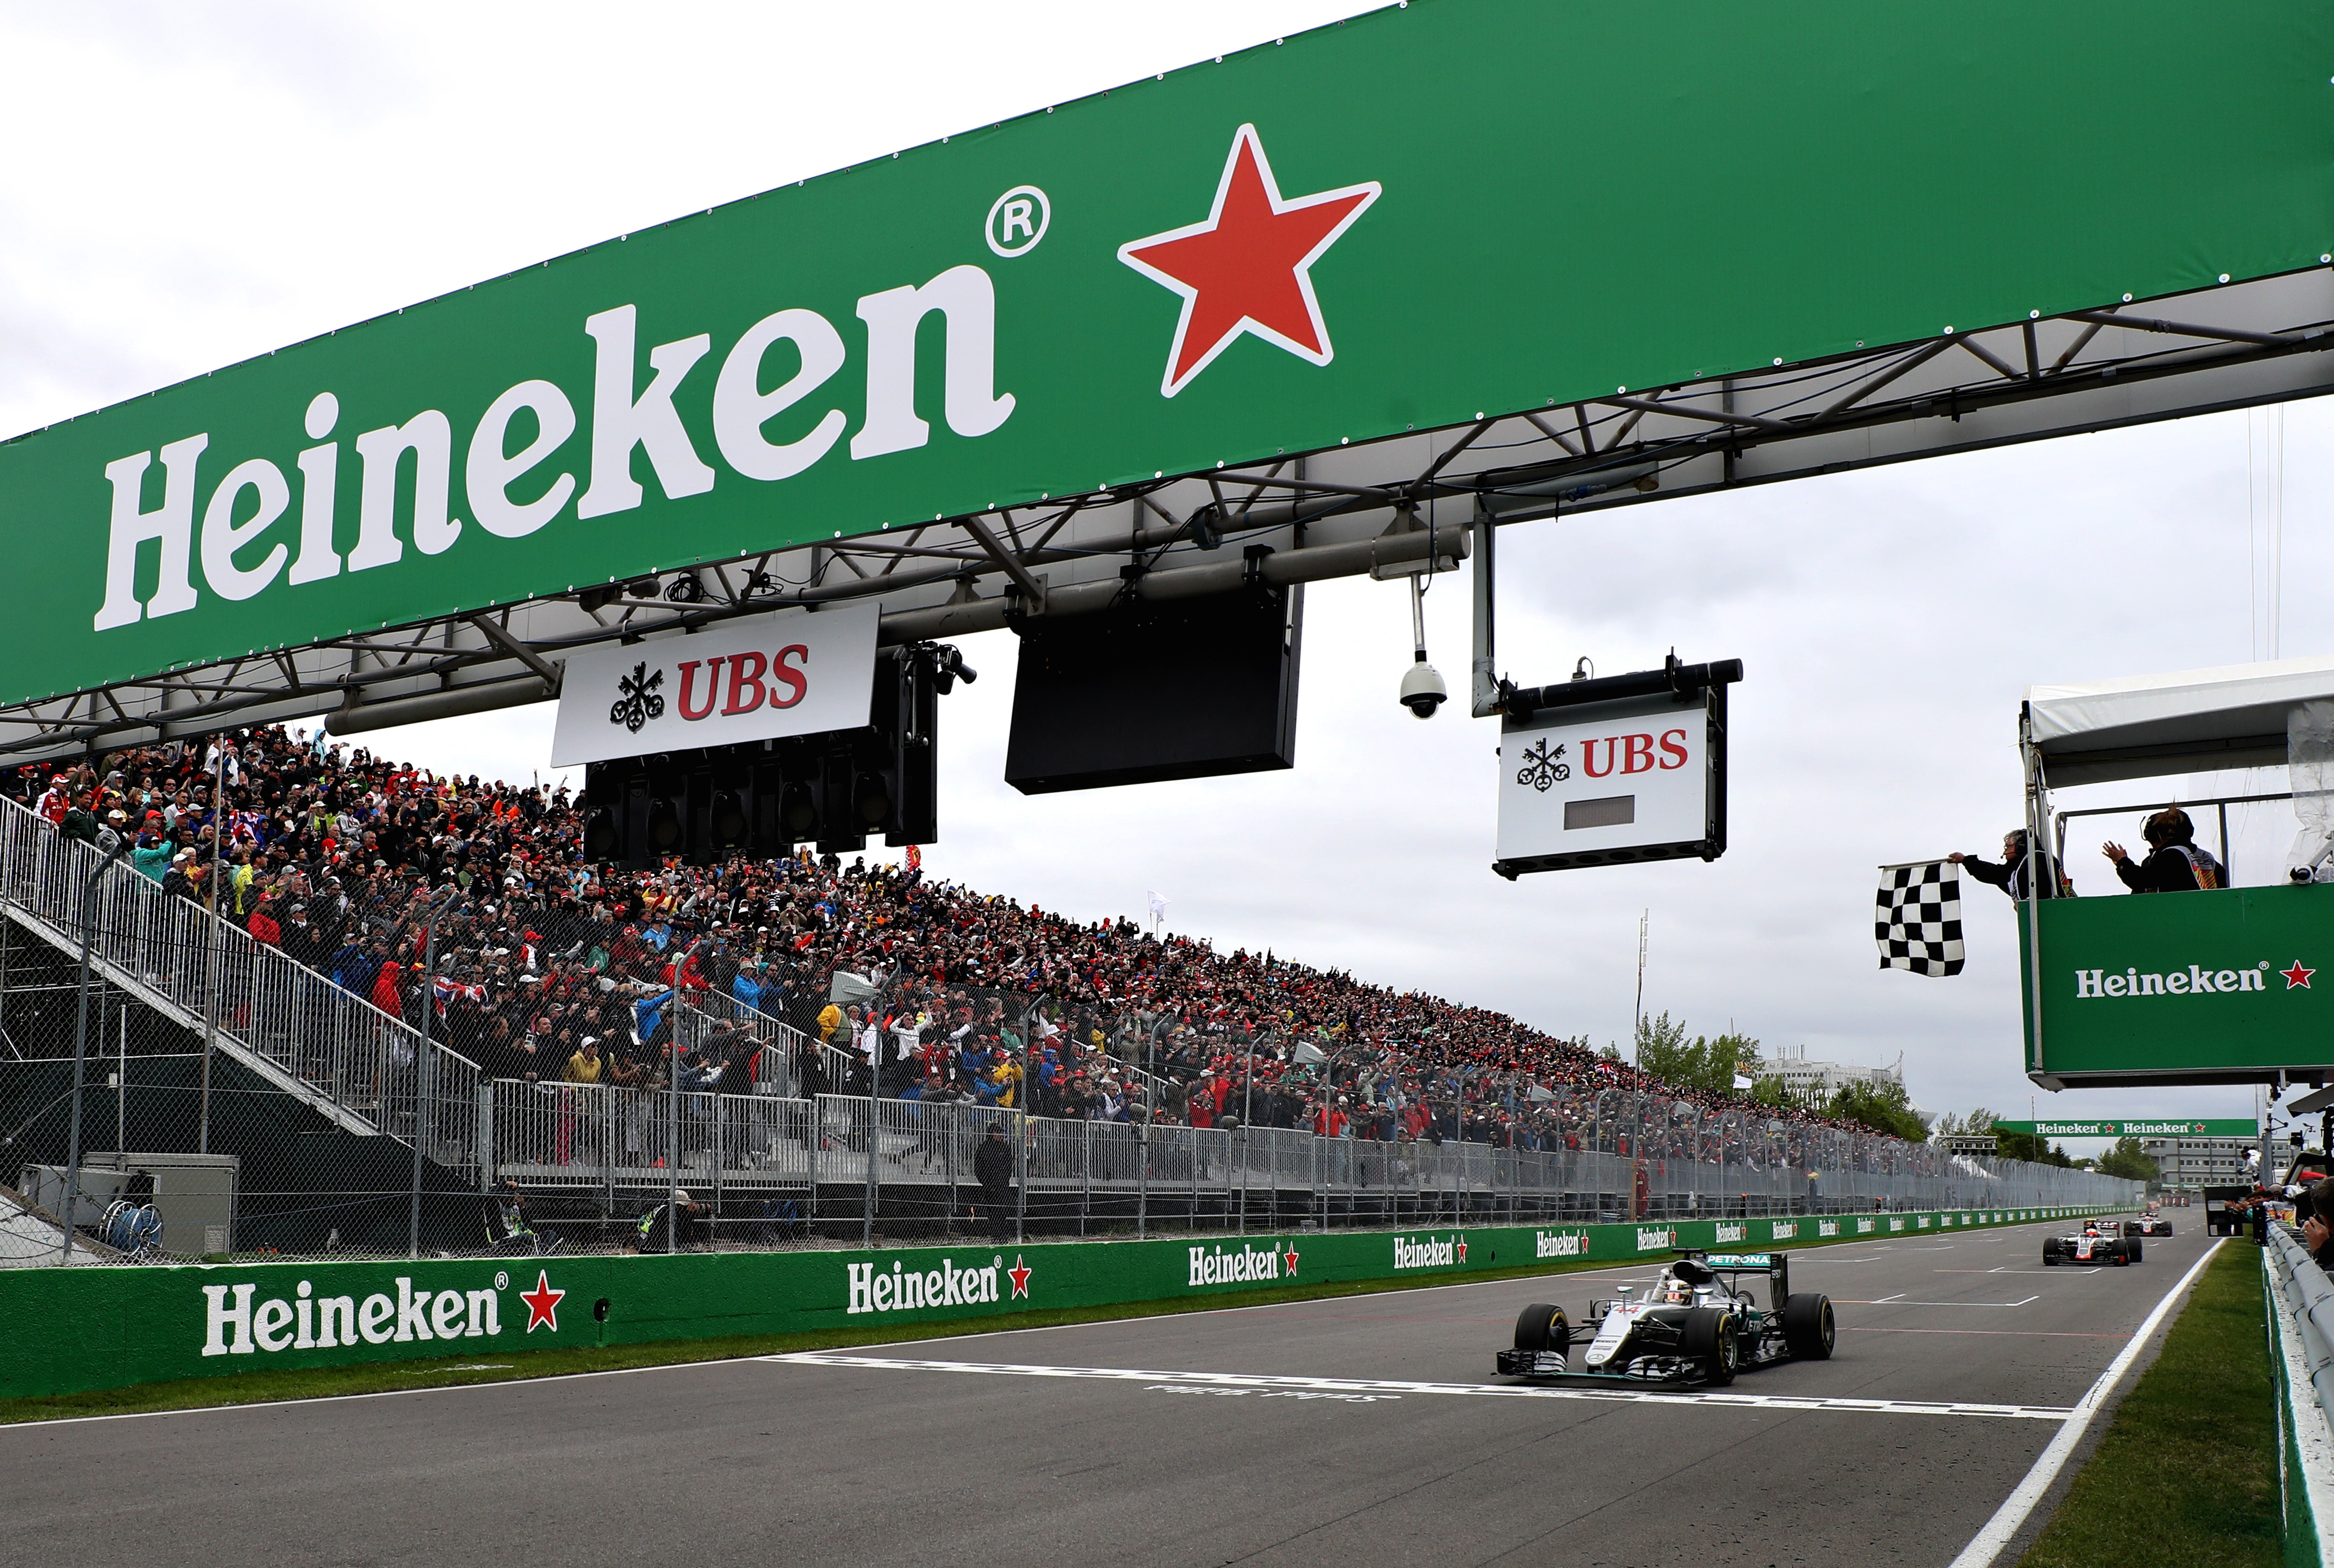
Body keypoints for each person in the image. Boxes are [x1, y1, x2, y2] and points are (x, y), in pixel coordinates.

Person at [2103, 807, 2224, 894]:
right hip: (2206, 915)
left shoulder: (2171, 856)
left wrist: (2122, 862)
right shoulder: (2207, 858)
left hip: (2176, 916)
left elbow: (2144, 881)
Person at [1948, 830, 2070, 900]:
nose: (2005, 851)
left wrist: (2027, 903)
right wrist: (1965, 860)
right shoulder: (2017, 868)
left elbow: (2043, 890)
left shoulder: (2037, 862)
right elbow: (1993, 873)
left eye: (2008, 847)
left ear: (2021, 846)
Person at [973, 1123, 1015, 1242]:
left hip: (1003, 1186)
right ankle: (996, 1236)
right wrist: (988, 1184)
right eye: (998, 1132)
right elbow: (979, 1169)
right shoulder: (984, 1148)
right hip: (990, 1186)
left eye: (1001, 1132)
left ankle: (1002, 1236)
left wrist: (1004, 1182)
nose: (1000, 1135)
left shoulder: (1005, 1148)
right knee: (993, 1213)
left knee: (1003, 1211)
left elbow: (1008, 1167)